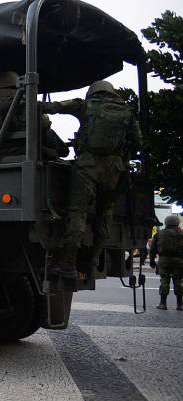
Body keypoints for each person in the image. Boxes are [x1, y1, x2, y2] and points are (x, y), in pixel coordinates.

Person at [43, 80, 142, 277]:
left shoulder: (85, 105)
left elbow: (56, 107)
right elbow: (138, 142)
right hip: (114, 169)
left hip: (88, 166)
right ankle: (92, 260)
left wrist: (36, 106)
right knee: (105, 216)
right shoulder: (127, 112)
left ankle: (68, 264)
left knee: (77, 214)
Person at [150, 214, 183, 311]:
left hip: (164, 260)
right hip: (179, 261)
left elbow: (152, 249)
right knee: (178, 282)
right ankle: (180, 305)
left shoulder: (159, 234)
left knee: (164, 281)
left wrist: (152, 261)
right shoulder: (181, 235)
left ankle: (163, 304)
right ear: (177, 223)